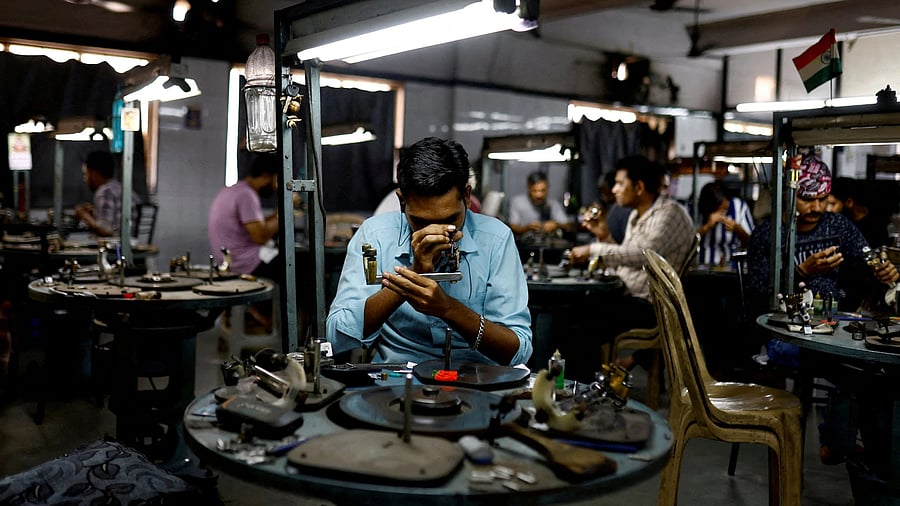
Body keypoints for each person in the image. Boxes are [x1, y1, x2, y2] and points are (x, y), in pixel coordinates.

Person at [326, 137, 532, 366]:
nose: (435, 232)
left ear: (466, 196)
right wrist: (414, 274)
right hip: (397, 379)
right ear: (402, 201)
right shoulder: (375, 236)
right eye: (421, 222)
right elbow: (338, 337)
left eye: (450, 220)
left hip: (478, 379)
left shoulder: (496, 239)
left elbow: (517, 350)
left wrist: (449, 309)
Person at [567, 155, 695, 379]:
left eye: (619, 183)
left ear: (639, 187)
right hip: (630, 298)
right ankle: (583, 388)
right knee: (571, 311)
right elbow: (628, 258)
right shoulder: (637, 215)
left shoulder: (670, 214)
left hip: (651, 307)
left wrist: (592, 250)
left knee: (579, 326)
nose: (614, 189)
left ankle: (580, 393)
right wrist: (604, 237)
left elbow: (643, 255)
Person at [208, 154, 281, 279]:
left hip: (231, 260)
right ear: (265, 175)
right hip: (245, 262)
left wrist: (275, 214)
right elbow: (260, 237)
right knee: (299, 265)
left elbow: (257, 224)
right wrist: (283, 214)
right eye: (276, 180)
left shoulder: (232, 190)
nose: (276, 187)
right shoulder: (246, 195)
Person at [74, 151, 141, 237]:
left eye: (85, 174)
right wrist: (94, 212)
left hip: (117, 247)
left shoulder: (105, 192)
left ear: (94, 173)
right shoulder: (121, 188)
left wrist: (84, 215)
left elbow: (106, 231)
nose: (85, 179)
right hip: (130, 243)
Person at [696, 181, 754, 267]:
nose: (724, 209)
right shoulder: (699, 210)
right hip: (703, 266)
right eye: (719, 209)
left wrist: (737, 229)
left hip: (732, 268)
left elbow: (753, 243)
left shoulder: (740, 207)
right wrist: (707, 227)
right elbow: (688, 242)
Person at [827, 176, 892, 248]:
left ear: (849, 202)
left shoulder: (876, 226)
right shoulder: (834, 223)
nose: (828, 209)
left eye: (833, 204)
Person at [508, 171, 573, 238]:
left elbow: (568, 226)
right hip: (523, 245)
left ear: (548, 188)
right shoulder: (517, 202)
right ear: (529, 188)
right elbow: (512, 227)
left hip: (549, 245)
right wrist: (527, 228)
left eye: (542, 190)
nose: (539, 195)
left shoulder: (553, 204)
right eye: (535, 191)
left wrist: (556, 225)